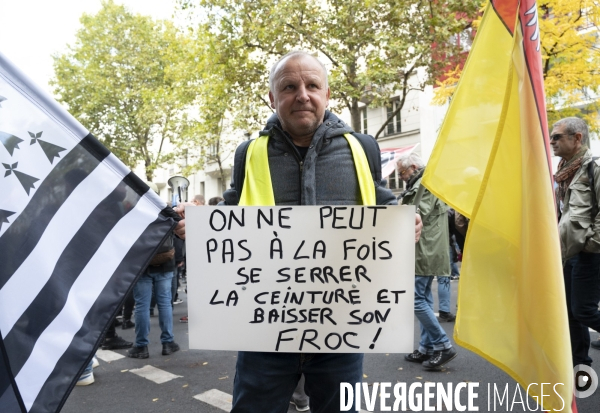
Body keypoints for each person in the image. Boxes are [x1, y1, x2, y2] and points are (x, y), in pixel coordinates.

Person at [221, 50, 421, 413]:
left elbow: (380, 203)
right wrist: (198, 222)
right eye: (289, 86)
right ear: (272, 97)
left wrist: (405, 220)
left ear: (327, 95)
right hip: (265, 330)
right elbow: (231, 214)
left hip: (340, 332)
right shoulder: (248, 154)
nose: (302, 94)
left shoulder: (363, 148)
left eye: (312, 85)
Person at [397, 152, 458, 370]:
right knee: (422, 297)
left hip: (424, 249)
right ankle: (426, 347)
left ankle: (442, 344)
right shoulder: (426, 182)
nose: (401, 176)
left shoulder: (426, 184)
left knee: (415, 299)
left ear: (413, 167)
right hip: (426, 248)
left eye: (402, 172)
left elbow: (416, 213)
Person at [551, 117, 600, 363]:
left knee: (584, 310)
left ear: (577, 138)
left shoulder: (594, 167)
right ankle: (581, 365)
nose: (551, 142)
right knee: (570, 313)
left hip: (589, 252)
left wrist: (591, 245)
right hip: (569, 251)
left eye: (557, 136)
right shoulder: (562, 171)